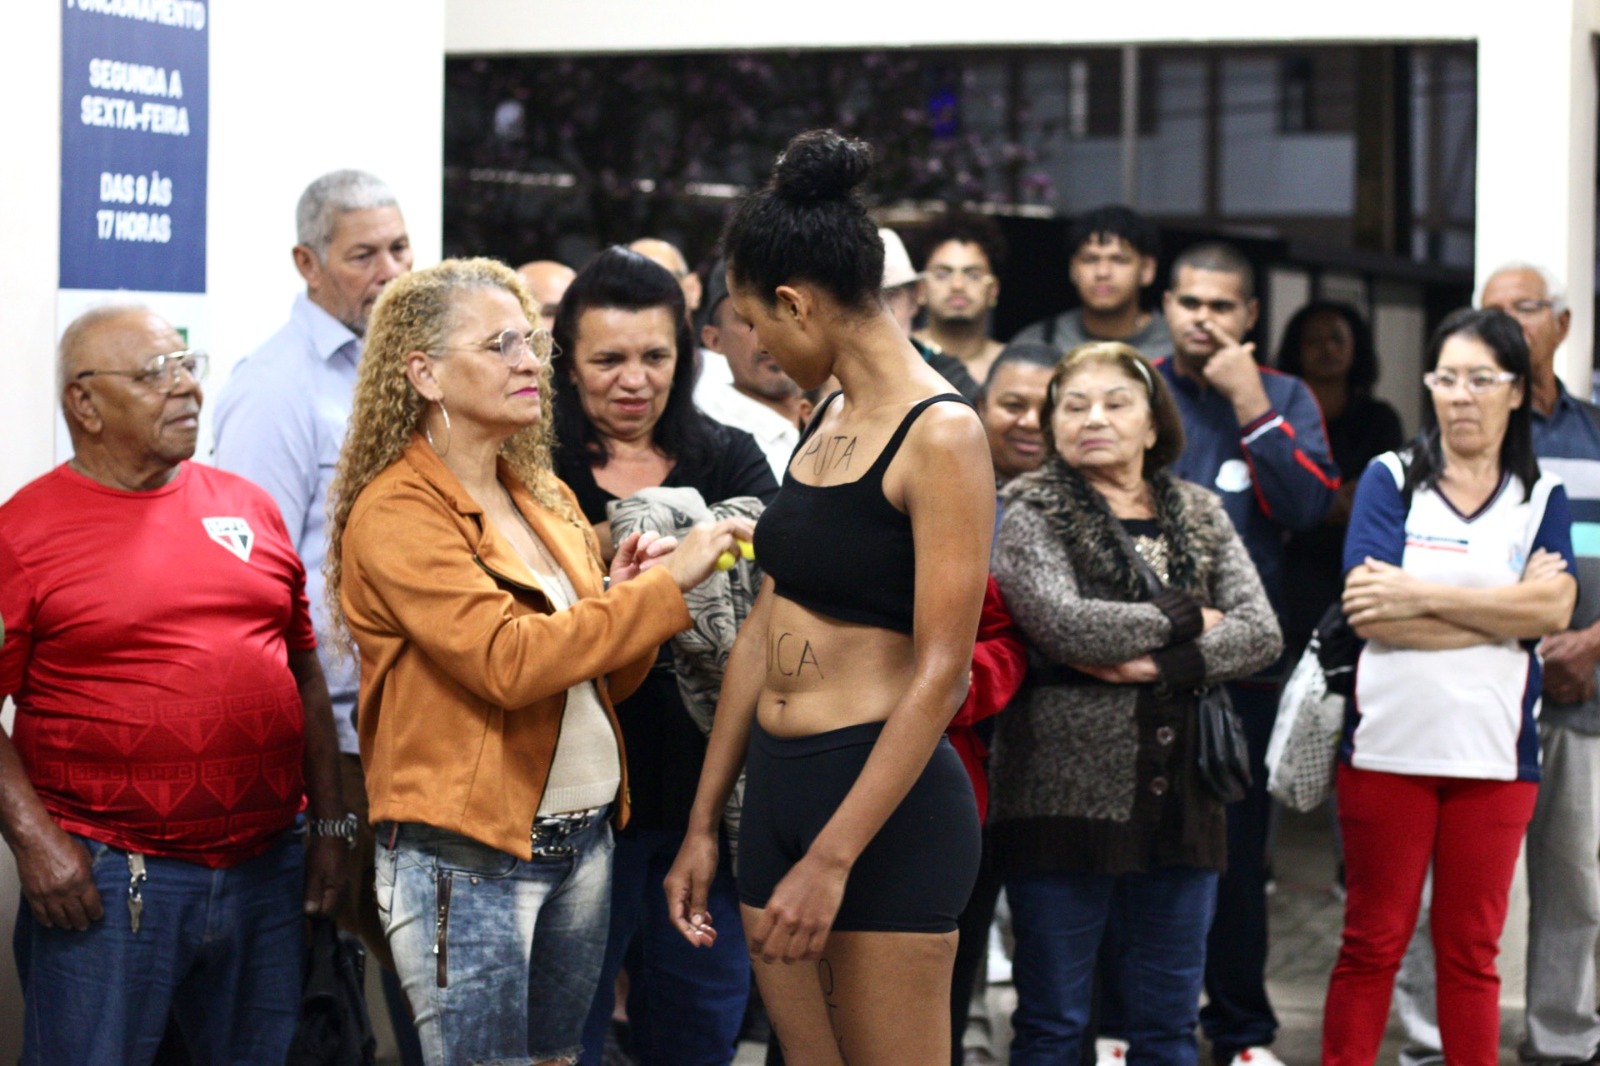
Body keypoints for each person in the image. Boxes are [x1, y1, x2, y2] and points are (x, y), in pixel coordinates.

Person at [325, 257, 749, 1066]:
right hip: (466, 853)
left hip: (581, 841)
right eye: (500, 345)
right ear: (424, 373)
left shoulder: (539, 492)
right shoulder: (397, 510)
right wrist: (663, 590)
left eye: (531, 342)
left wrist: (624, 596)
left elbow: (602, 678)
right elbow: (506, 663)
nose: (529, 362)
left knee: (559, 1059)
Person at [664, 129, 995, 1065]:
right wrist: (704, 822)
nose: (761, 347)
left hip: (882, 813)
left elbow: (945, 674)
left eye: (756, 322)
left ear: (796, 302)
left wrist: (834, 856)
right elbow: (763, 626)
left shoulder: (943, 434)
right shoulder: (829, 413)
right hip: (777, 792)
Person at [0, 305, 347, 1064]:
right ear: (84, 403)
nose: (186, 386)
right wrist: (35, 843)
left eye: (189, 365)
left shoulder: (249, 508)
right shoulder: (22, 533)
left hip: (267, 872)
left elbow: (305, 675)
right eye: (156, 373)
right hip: (109, 881)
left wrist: (328, 827)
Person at [988, 341, 1281, 1066]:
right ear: (1053, 426)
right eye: (1074, 405)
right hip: (1060, 795)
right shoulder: (1029, 509)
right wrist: (1191, 619)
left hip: (1186, 792)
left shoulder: (1200, 510)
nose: (1095, 418)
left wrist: (1155, 663)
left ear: (1154, 425)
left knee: (1169, 1027)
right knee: (1053, 1024)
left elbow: (1262, 632)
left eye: (1117, 403)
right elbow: (1064, 624)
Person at [1326, 307, 1577, 1066]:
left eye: (1481, 379)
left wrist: (1419, 594)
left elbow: (1554, 613)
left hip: (1496, 758)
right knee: (1372, 942)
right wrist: (1505, 614)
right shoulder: (1391, 478)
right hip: (1387, 751)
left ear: (1515, 390)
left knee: (1471, 952)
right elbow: (1370, 613)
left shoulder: (1542, 496)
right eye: (1446, 378)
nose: (1461, 395)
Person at [550, 247, 778, 1066]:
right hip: (576, 802)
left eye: (655, 356)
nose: (633, 380)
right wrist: (691, 540)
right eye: (607, 359)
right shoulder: (538, 467)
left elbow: (776, 585)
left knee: (698, 1026)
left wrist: (638, 541)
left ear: (684, 357)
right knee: (566, 1031)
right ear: (566, 364)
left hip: (704, 800)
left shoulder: (731, 453)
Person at [211, 169, 413, 1006]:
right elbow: (247, 581)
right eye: (363, 255)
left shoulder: (402, 369)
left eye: (399, 247)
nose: (390, 272)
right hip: (335, 743)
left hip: (409, 725)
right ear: (308, 263)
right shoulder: (276, 387)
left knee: (427, 974)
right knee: (338, 981)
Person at [1392, 263, 1600, 1066]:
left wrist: (1591, 642)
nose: (1507, 324)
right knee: (1441, 889)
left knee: (1574, 882)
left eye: (1525, 309)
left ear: (1562, 325)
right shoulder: (1437, 452)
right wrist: (1518, 628)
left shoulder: (1594, 434)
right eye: (1491, 312)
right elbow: (1394, 589)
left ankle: (1562, 1042)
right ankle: (1428, 1045)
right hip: (1461, 699)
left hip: (1579, 697)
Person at [1155, 241, 1339, 1066]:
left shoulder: (1285, 395)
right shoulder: (1137, 385)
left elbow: (1304, 506)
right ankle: (1138, 1029)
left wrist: (1251, 403)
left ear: (1251, 316)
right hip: (1137, 664)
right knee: (1136, 854)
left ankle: (1241, 1031)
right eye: (1191, 302)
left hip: (1245, 673)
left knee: (1231, 858)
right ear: (1167, 306)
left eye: (1222, 305)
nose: (1204, 318)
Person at [1274, 300, 1405, 652]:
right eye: (1313, 341)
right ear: (1296, 350)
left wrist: (1313, 501)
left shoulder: (1378, 419)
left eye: (1336, 339)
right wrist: (1325, 501)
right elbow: (1281, 495)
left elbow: (1377, 495)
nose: (1326, 349)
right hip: (1290, 568)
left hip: (1357, 561)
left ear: (1355, 346)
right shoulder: (1279, 418)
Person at [696, 257, 808, 480]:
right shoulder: (707, 441)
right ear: (714, 340)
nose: (770, 335)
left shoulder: (841, 409)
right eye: (749, 320)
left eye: (787, 310)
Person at [1012, 205, 1170, 360]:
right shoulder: (1037, 343)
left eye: (1119, 260)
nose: (1102, 272)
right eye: (1089, 260)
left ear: (1147, 269)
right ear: (1073, 268)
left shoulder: (1174, 346)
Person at [914, 211, 1009, 384]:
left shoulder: (1011, 365)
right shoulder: (901, 356)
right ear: (921, 288)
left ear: (993, 290)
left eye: (973, 275)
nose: (957, 285)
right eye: (942, 274)